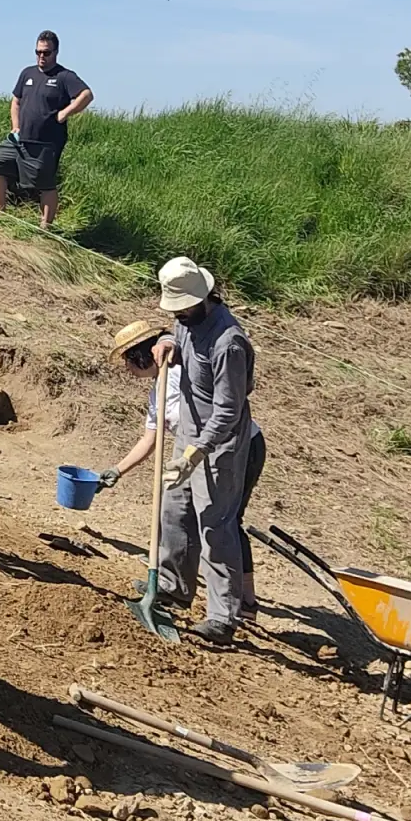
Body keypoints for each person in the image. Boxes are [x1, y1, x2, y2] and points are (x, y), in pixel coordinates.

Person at [106, 319, 264, 627]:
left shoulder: (182, 369)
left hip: (234, 447)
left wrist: (169, 344)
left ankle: (243, 604)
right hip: (189, 452)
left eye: (127, 361)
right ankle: (173, 586)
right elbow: (150, 439)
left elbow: (227, 400)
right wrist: (116, 471)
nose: (126, 370)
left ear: (140, 355)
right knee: (174, 510)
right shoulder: (158, 390)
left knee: (221, 522)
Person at [150, 257, 259, 645]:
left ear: (204, 298)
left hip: (221, 444)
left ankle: (222, 617)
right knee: (173, 509)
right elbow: (179, 343)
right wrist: (166, 344)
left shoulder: (229, 342)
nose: (179, 315)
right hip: (188, 431)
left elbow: (229, 409)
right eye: (174, 310)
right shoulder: (187, 321)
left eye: (183, 308)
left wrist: (197, 452)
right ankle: (172, 585)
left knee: (215, 524)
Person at [0, 31, 91, 229]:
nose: (42, 56)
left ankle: (46, 225)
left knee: (44, 182)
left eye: (46, 53)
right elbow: (16, 101)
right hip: (19, 138)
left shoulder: (64, 76)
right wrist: (15, 125)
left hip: (46, 142)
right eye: (38, 52)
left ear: (56, 52)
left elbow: (86, 95)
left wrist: (65, 113)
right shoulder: (27, 73)